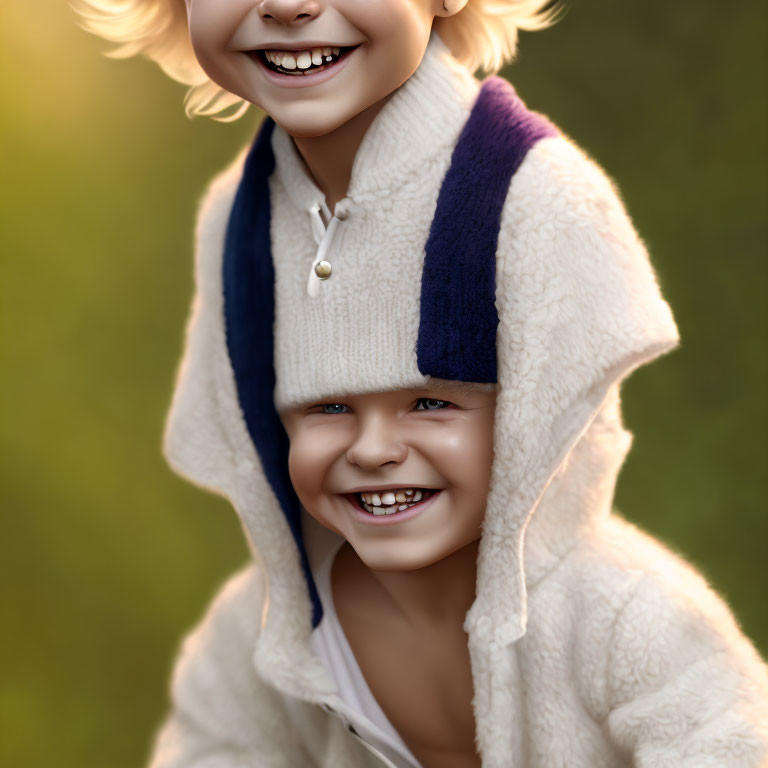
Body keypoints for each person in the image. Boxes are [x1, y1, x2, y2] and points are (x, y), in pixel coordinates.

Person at [75, 1, 768, 765]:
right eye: (326, 406)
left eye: (431, 402)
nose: (287, 4)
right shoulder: (234, 226)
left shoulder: (620, 626)